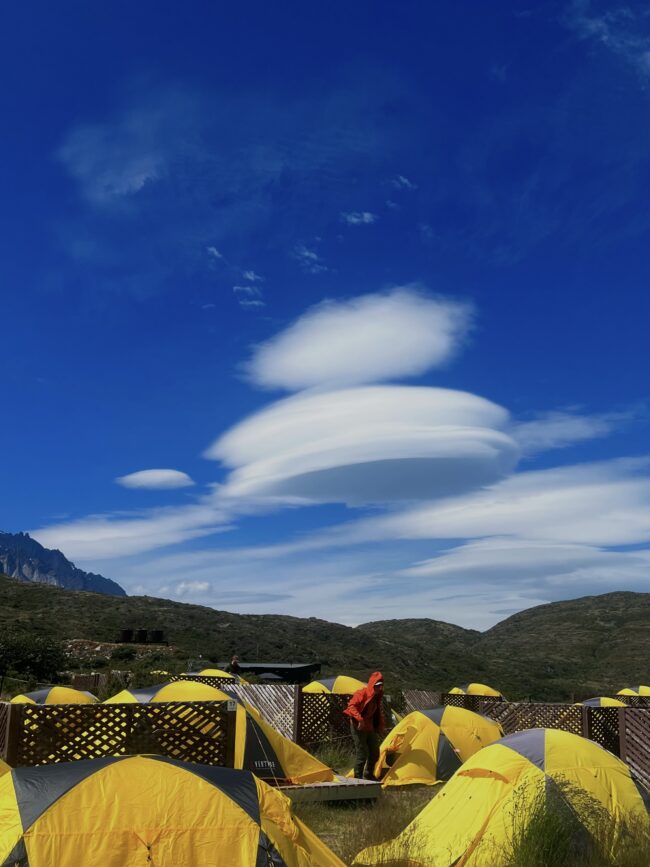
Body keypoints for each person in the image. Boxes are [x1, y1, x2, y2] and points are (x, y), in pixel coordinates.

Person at [344, 671, 385, 780]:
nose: (379, 688)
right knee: (362, 753)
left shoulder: (377, 697)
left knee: (375, 752)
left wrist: (380, 727)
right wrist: (360, 719)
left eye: (381, 686)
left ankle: (368, 774)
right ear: (372, 685)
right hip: (358, 726)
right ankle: (358, 778)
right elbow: (351, 706)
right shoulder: (362, 693)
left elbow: (377, 714)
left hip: (369, 727)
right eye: (377, 685)